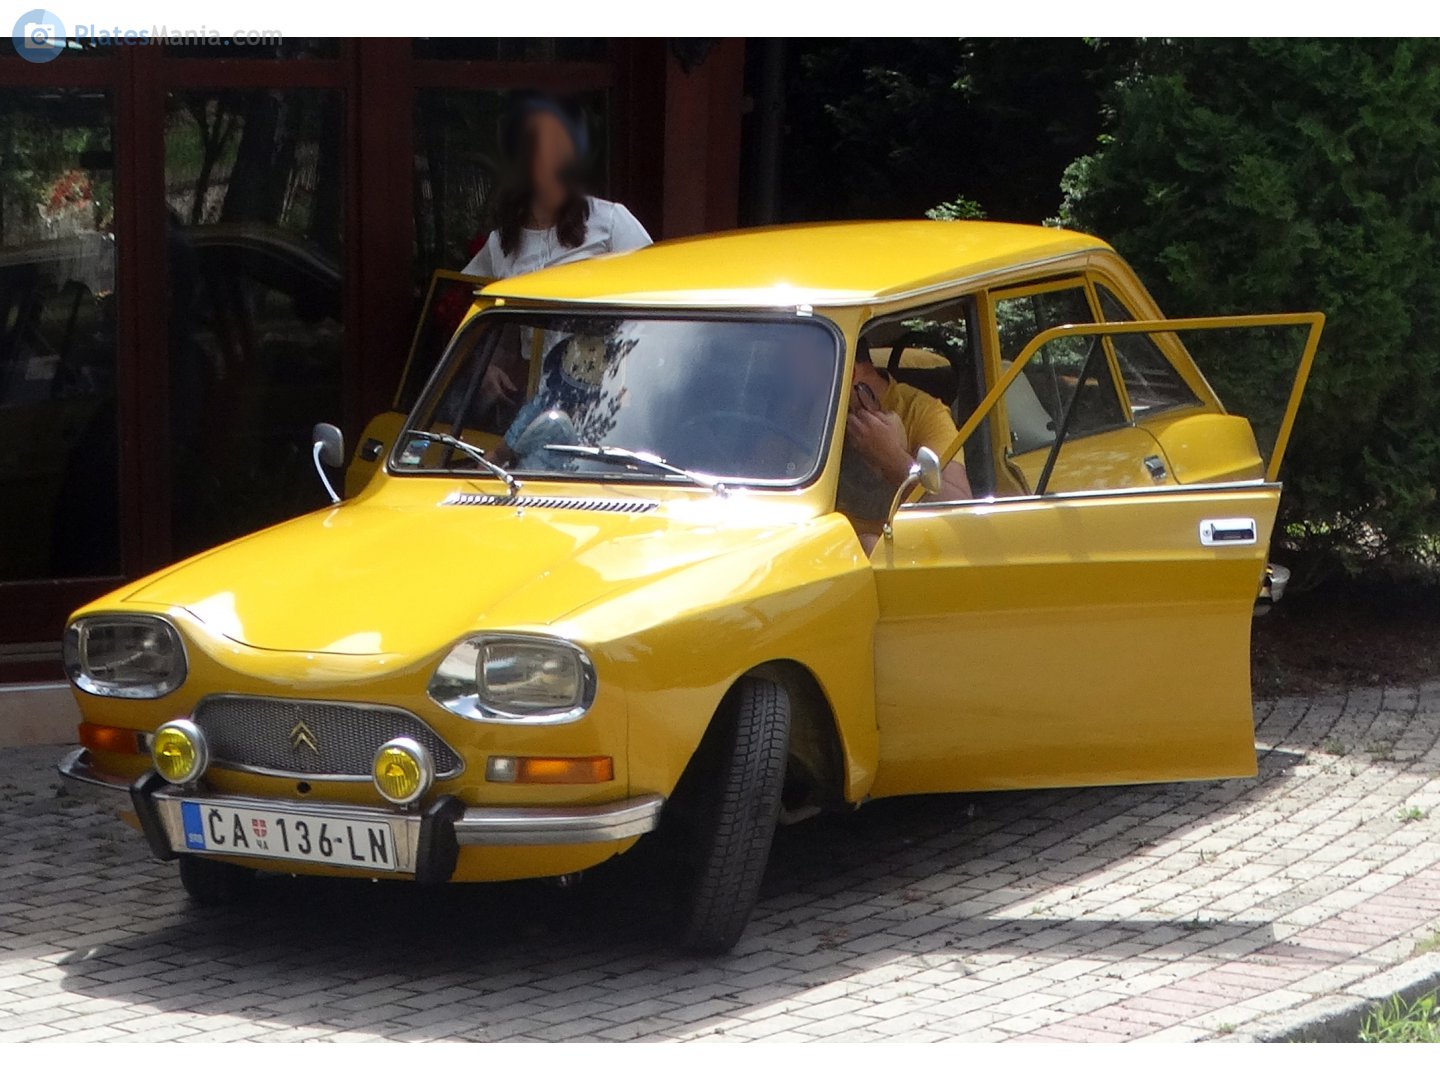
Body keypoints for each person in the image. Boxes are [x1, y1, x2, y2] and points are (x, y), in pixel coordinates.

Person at [462, 94, 651, 423]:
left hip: (606, 401)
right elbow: (466, 309)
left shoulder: (610, 222)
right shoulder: (501, 242)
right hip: (532, 406)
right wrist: (485, 365)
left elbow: (660, 300)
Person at [839, 344, 971, 551]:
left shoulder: (924, 412)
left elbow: (961, 512)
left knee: (869, 544)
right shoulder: (800, 413)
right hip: (824, 550)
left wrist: (895, 459)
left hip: (909, 554)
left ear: (849, 372)